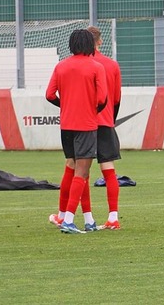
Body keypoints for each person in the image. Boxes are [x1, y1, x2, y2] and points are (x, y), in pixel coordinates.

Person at [48, 26, 122, 231]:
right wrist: (104, 116)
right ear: (97, 41)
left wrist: (68, 105)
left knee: (74, 168)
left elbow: (49, 94)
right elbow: (111, 99)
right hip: (100, 122)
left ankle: (74, 216)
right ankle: (111, 217)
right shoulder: (106, 65)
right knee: (104, 170)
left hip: (71, 123)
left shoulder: (62, 66)